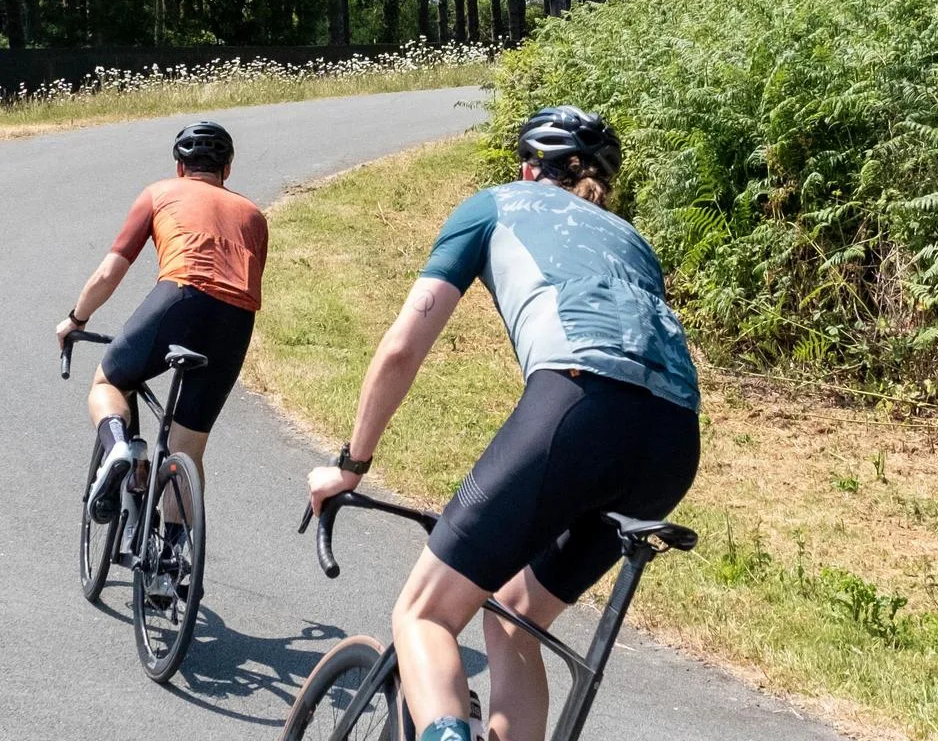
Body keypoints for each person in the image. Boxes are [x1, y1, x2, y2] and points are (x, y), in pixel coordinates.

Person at [304, 106, 701, 741]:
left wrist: (351, 464)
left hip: (576, 408)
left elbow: (403, 347)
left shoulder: (494, 204)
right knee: (514, 616)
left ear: (526, 168)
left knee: (425, 615)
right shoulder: (631, 239)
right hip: (676, 438)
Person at [55, 120, 263, 601]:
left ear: (179, 166)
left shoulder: (159, 192)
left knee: (108, 380)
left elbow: (111, 271)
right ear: (227, 169)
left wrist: (76, 319)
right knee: (187, 449)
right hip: (236, 321)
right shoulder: (254, 215)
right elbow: (237, 284)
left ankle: (120, 450)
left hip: (180, 295)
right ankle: (169, 563)